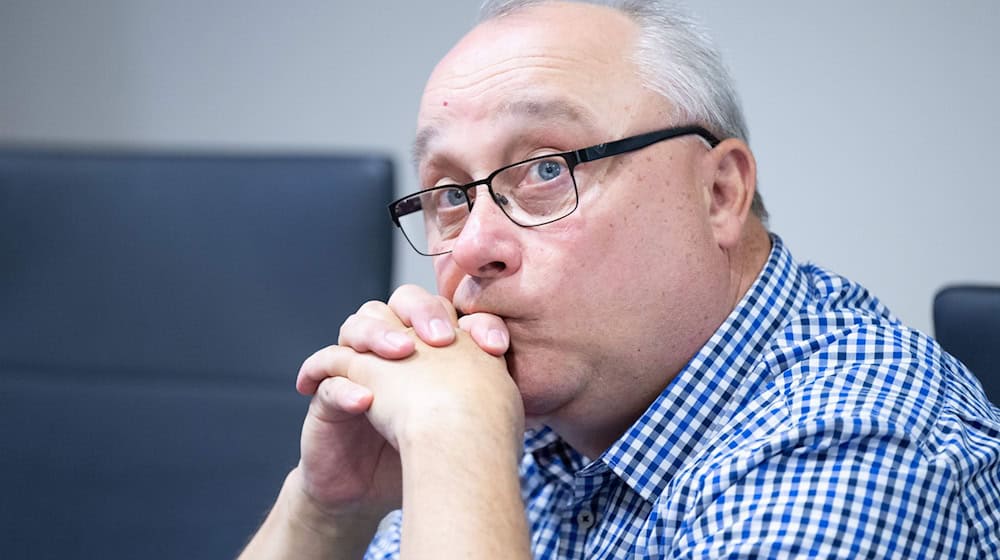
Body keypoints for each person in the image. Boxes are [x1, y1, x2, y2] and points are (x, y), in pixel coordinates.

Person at [241, 1, 1000, 558]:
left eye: (546, 169)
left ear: (719, 193)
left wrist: (457, 442)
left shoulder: (864, 456)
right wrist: (327, 512)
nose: (473, 247)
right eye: (447, 194)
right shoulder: (535, 411)